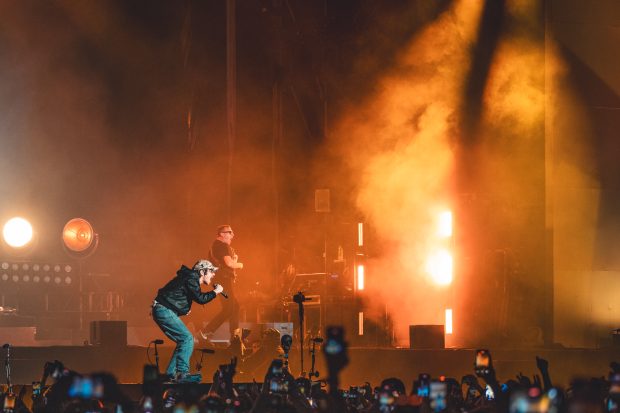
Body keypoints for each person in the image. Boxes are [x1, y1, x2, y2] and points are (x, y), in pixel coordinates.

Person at [152, 259, 224, 383]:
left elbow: (174, 294)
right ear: (202, 271)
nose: (213, 274)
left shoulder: (189, 278)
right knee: (187, 339)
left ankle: (170, 374)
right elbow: (201, 299)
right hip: (163, 310)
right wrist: (215, 292)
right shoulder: (192, 278)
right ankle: (182, 373)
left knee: (183, 341)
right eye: (211, 271)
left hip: (162, 309)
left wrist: (181, 310)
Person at [201, 224, 243, 341]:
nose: (232, 235)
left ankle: (235, 336)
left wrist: (234, 261)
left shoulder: (217, 246)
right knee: (229, 308)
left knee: (234, 307)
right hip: (222, 280)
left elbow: (226, 263)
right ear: (222, 234)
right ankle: (206, 332)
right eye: (230, 232)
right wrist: (239, 264)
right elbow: (229, 264)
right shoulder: (221, 245)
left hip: (220, 280)